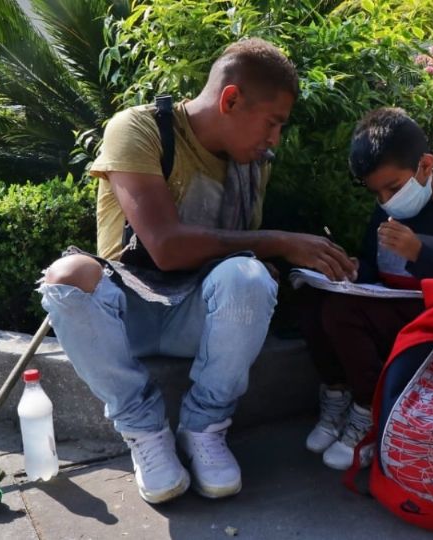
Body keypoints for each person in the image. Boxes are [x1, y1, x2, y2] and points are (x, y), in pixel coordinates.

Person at [38, 38, 356, 504]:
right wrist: (281, 241)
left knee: (249, 276)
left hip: (196, 315)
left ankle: (205, 427)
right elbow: (165, 248)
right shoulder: (138, 129)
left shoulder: (252, 165)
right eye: (272, 123)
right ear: (230, 100)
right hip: (130, 314)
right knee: (67, 277)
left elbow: (233, 263)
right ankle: (145, 432)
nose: (275, 140)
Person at [297, 107, 433, 470]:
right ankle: (337, 395)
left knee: (342, 313)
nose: (386, 200)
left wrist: (419, 253)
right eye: (378, 193)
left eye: (394, 188)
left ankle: (371, 410)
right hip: (384, 308)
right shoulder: (386, 210)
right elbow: (374, 264)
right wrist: (354, 271)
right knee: (312, 299)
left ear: (425, 165)